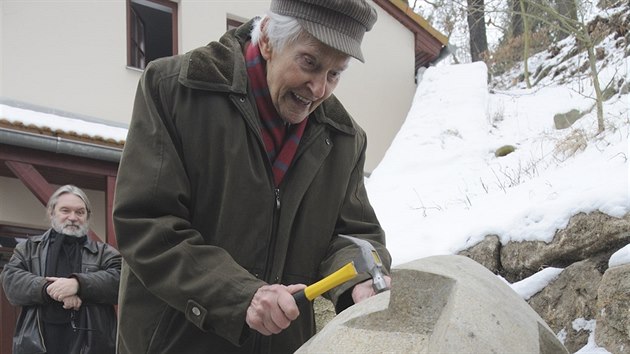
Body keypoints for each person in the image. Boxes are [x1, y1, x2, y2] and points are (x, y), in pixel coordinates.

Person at [113, 0, 392, 353]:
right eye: (310, 63)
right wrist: (242, 295)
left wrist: (362, 278)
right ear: (267, 40)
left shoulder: (344, 138)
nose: (319, 88)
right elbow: (148, 223)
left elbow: (354, 235)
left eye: (335, 74)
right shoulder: (175, 90)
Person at [1, 185, 121, 354]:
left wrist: (78, 284)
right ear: (51, 213)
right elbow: (11, 281)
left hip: (92, 345)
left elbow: (122, 280)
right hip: (36, 344)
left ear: (87, 217)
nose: (72, 217)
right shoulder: (28, 249)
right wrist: (48, 288)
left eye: (80, 212)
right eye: (65, 210)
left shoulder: (104, 253)